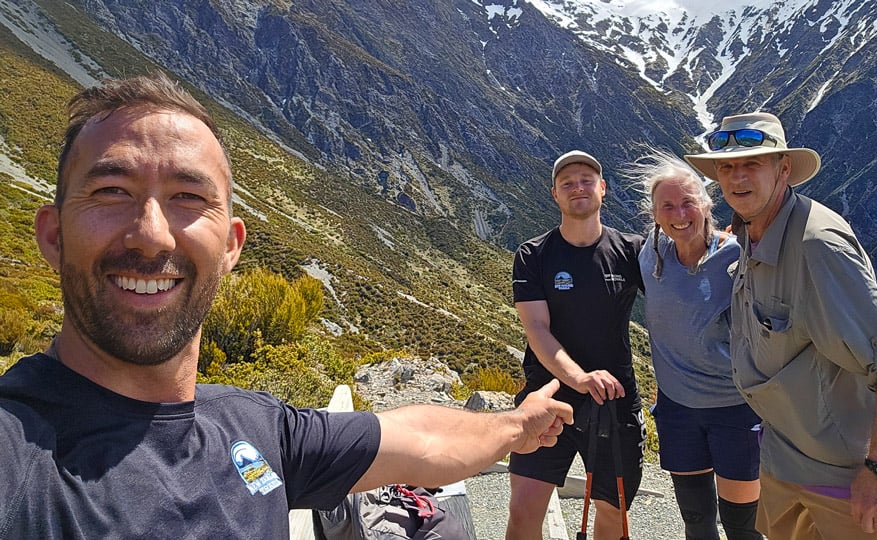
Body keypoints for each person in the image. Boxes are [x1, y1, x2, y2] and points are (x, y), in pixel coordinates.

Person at [0, 72, 574, 539]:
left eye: (188, 198)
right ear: (52, 236)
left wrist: (515, 425)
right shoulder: (16, 453)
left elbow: (422, 439)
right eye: (111, 192)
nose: (152, 235)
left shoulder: (255, 428)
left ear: (231, 246)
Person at [685, 111, 877, 539]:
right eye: (727, 166)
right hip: (786, 460)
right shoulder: (751, 229)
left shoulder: (817, 247)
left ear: (784, 169)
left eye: (752, 163)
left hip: (843, 475)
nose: (737, 177)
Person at [506, 150, 645, 540]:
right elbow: (537, 329)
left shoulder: (633, 251)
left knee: (613, 516)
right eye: (567, 183)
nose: (578, 188)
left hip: (613, 402)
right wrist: (580, 378)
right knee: (523, 512)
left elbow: (683, 280)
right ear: (555, 194)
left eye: (586, 180)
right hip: (547, 397)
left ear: (603, 189)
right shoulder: (534, 255)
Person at [624, 149, 762, 539]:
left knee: (741, 526)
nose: (679, 213)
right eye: (667, 205)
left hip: (736, 408)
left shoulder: (737, 254)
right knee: (697, 520)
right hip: (678, 410)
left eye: (688, 202)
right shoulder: (650, 255)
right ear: (653, 213)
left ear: (706, 203)